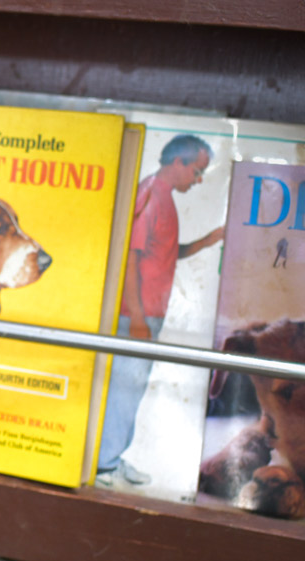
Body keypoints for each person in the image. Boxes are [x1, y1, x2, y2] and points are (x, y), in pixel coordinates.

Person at [96, 134, 225, 487]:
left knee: (132, 385)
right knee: (126, 385)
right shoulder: (151, 196)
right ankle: (104, 464)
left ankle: (110, 457)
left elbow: (165, 253)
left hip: (149, 311)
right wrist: (137, 317)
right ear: (178, 163)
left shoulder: (161, 197)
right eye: (197, 171)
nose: (199, 180)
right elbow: (131, 258)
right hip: (135, 313)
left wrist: (208, 241)